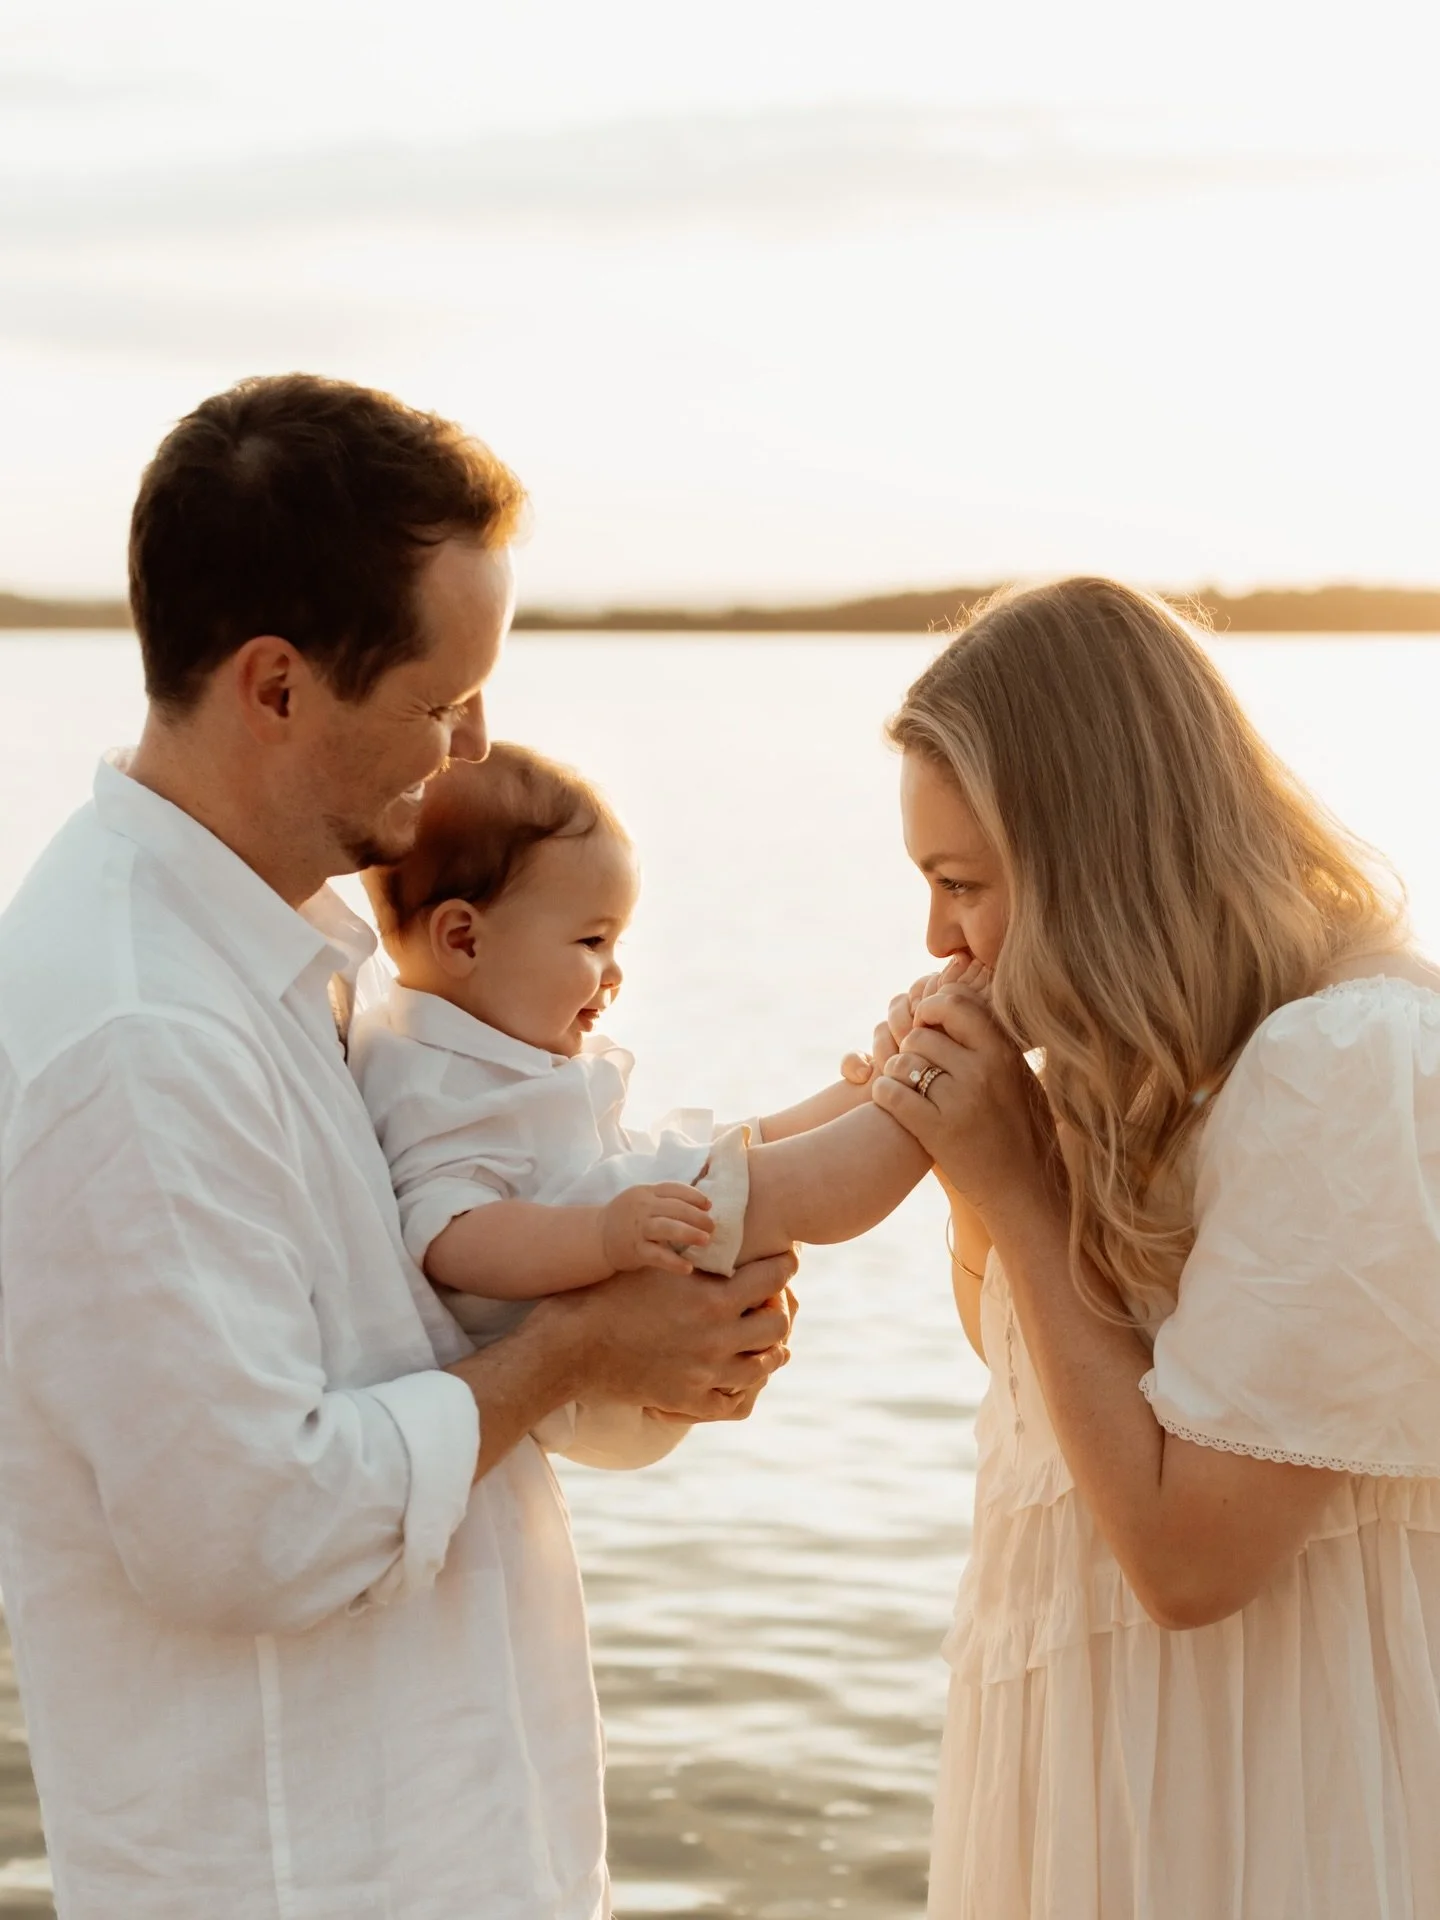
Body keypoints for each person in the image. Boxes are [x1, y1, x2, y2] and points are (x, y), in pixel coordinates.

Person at [0, 372, 797, 1920]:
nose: (474, 740)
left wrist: (646, 1351)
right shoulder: (137, 1035)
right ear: (279, 685)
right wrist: (575, 1355)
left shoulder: (287, 970)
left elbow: (407, 1365)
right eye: (441, 699)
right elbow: (249, 1529)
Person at [869, 577, 1440, 1919]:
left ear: (1099, 854)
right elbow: (1048, 1403)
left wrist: (1018, 1190)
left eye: (963, 885)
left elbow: (1191, 1559)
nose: (939, 939)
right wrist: (975, 1176)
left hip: (1258, 1799)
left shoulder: (1342, 1061)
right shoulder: (1139, 1053)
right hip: (1094, 1758)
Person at [350, 743, 931, 1355]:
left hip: (608, 1236)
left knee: (730, 1150)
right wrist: (600, 1235)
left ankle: (881, 1089)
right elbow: (452, 1238)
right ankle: (933, 1099)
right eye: (592, 940)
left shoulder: (483, 1046)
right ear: (464, 940)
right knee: (776, 1188)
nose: (614, 972)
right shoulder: (422, 1078)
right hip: (576, 1286)